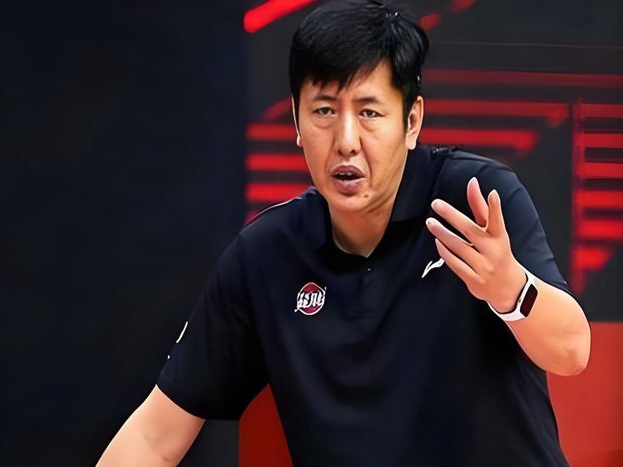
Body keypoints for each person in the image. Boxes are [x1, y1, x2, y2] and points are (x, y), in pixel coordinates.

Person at [97, 1, 591, 465]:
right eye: (324, 111)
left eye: (369, 112)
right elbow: (154, 437)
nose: (346, 141)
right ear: (296, 121)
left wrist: (510, 289)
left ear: (411, 121)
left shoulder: (474, 201)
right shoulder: (266, 254)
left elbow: (571, 352)